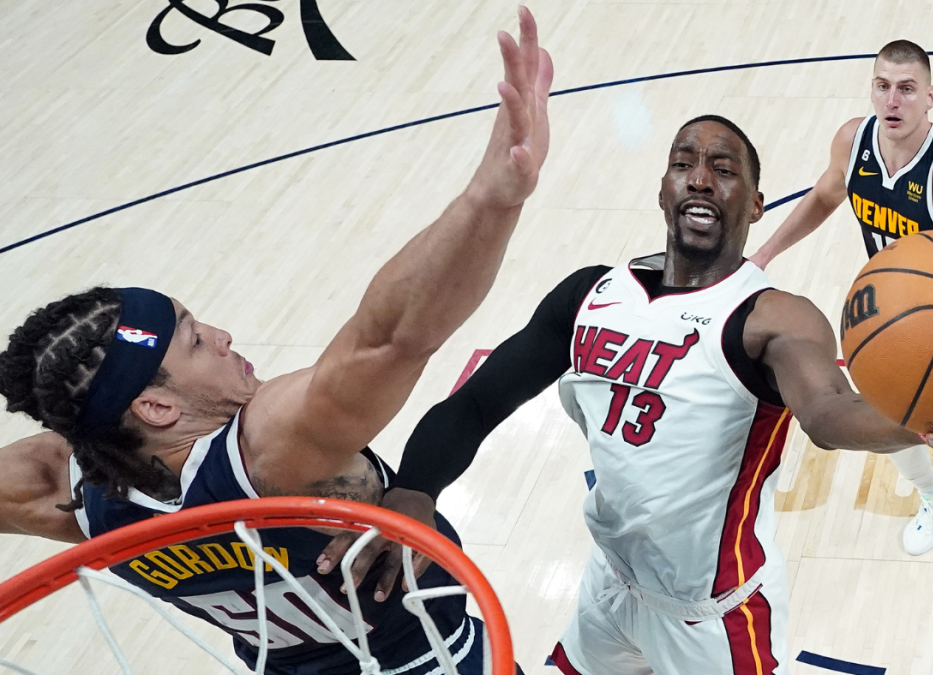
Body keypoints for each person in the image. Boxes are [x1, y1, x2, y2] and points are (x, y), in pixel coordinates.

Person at [331, 114, 933, 675]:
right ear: (663, 190)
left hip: (714, 621)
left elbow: (829, 413)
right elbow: (475, 403)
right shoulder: (590, 294)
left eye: (724, 169)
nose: (701, 178)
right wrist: (416, 486)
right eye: (683, 163)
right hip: (610, 589)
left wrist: (928, 425)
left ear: (757, 204)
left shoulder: (771, 317)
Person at [0, 8, 551, 674]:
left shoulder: (81, 499)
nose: (224, 335)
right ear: (156, 407)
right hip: (434, 661)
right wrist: (491, 199)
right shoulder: (268, 451)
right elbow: (390, 338)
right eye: (195, 340)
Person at [747, 40, 933, 556]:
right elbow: (823, 197)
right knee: (881, 427)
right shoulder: (852, 140)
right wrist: (764, 255)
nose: (893, 101)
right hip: (885, 318)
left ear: (930, 97)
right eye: (882, 86)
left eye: (906, 89)